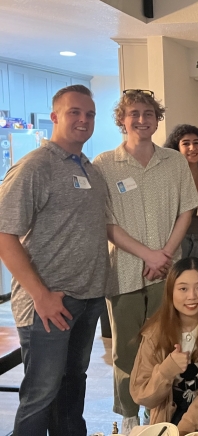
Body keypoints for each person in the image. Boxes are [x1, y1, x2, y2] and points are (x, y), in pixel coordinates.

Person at [0, 85, 108, 436]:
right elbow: (4, 235)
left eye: (89, 114)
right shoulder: (34, 167)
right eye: (74, 112)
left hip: (88, 298)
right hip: (49, 303)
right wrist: (40, 296)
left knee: (72, 387)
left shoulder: (90, 170)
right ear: (55, 117)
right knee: (41, 395)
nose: (83, 120)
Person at [93, 89, 198, 434]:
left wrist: (165, 254)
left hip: (167, 272)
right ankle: (127, 413)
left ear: (157, 119)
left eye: (149, 113)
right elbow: (107, 221)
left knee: (166, 344)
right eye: (134, 113)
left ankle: (160, 410)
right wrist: (148, 255)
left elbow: (188, 209)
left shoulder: (174, 161)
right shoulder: (104, 165)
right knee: (125, 349)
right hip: (124, 271)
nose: (142, 119)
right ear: (121, 119)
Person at [130, 257, 198, 436]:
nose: (192, 296)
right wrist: (166, 371)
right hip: (170, 404)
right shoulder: (154, 332)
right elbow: (141, 394)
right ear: (170, 291)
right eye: (183, 289)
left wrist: (186, 426)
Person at [164, 124, 198, 260]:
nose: (192, 148)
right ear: (177, 148)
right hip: (180, 239)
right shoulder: (170, 175)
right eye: (186, 143)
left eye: (196, 143)